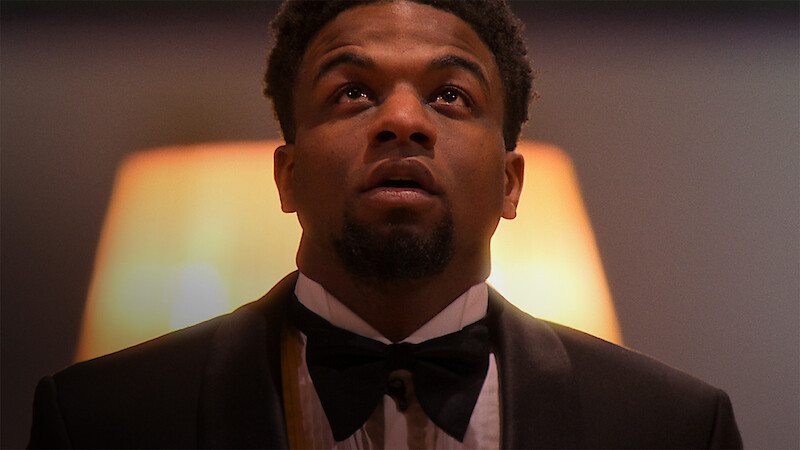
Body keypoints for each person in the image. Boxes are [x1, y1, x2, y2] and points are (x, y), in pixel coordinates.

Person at [28, 0, 742, 448]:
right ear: (286, 176)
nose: (403, 121)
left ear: (509, 183)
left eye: (451, 95)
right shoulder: (99, 422)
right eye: (354, 91)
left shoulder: (673, 429)